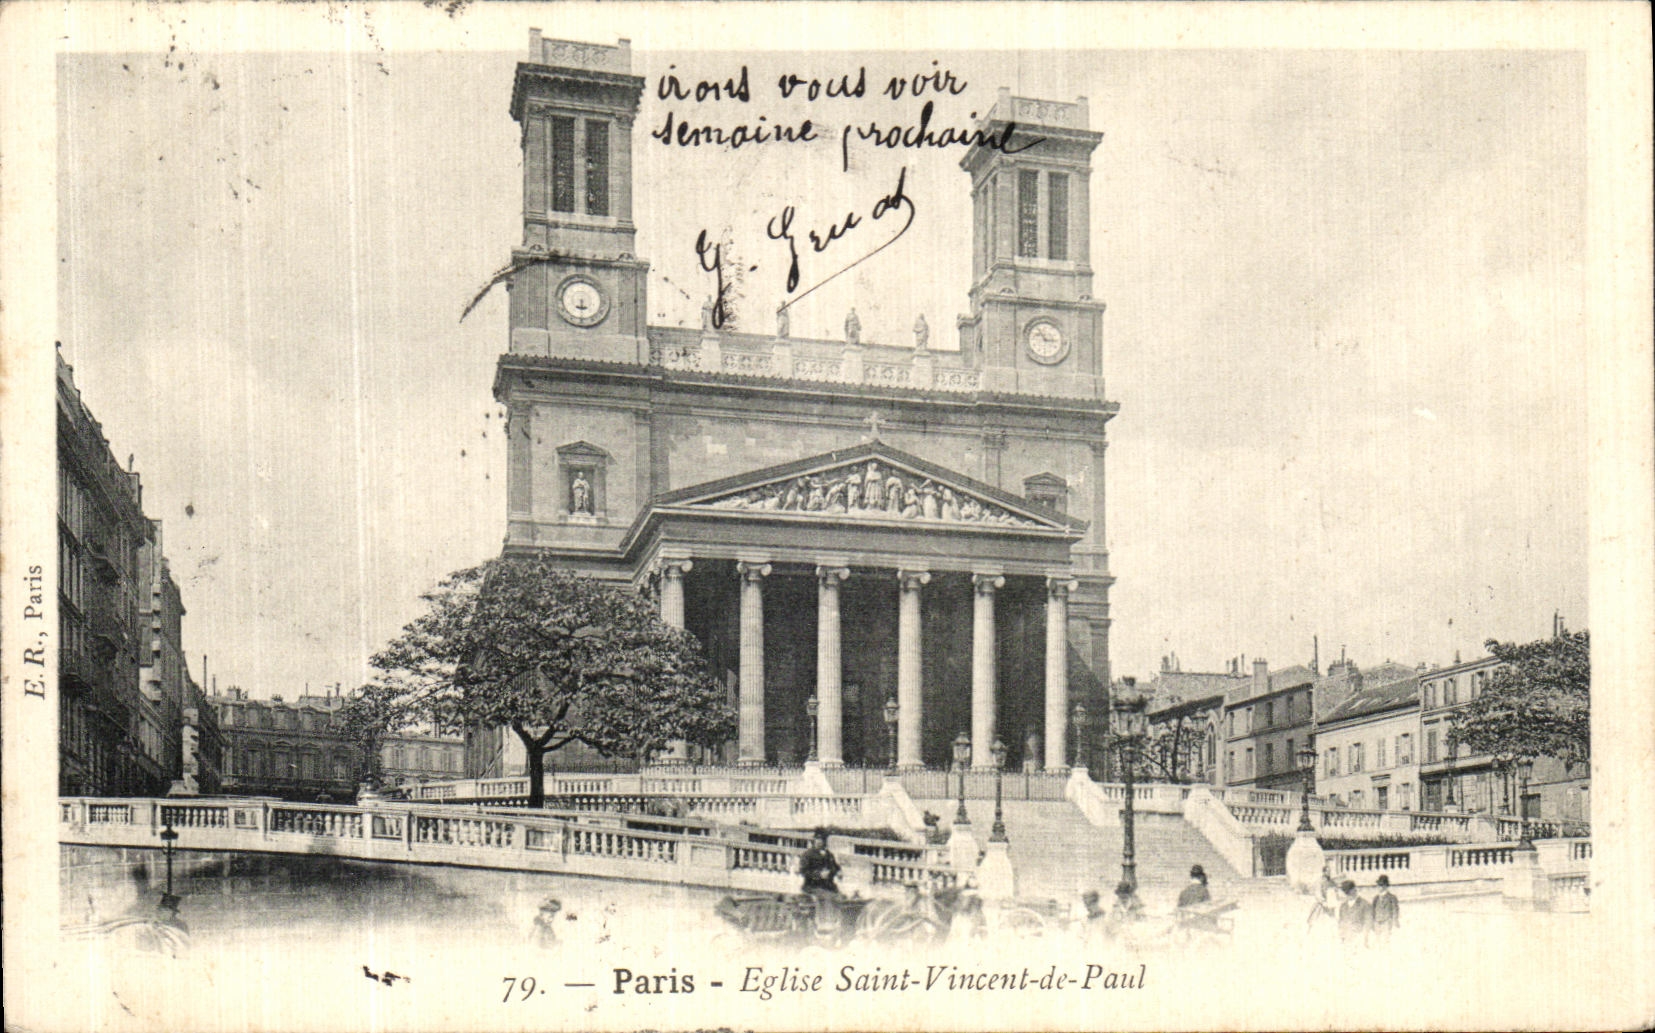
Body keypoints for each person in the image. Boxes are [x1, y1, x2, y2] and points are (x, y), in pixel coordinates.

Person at [799, 828, 841, 896]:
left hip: (828, 886)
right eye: (817, 839)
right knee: (828, 897)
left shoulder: (829, 855)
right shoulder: (808, 854)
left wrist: (838, 872)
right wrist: (819, 875)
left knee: (841, 898)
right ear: (814, 840)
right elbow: (803, 871)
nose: (820, 841)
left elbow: (835, 867)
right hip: (812, 887)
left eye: (822, 839)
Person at [1336, 879, 1372, 944]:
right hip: (1346, 940)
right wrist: (1341, 938)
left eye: (1349, 892)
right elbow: (1341, 923)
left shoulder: (1365, 904)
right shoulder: (1343, 906)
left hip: (1359, 939)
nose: (1347, 895)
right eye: (1346, 893)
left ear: (1355, 890)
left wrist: (1364, 939)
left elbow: (1368, 924)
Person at [1370, 874, 1400, 942]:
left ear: (1386, 886)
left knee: (1386, 941)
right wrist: (1372, 922)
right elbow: (1372, 911)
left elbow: (1395, 910)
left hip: (1387, 922)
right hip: (1377, 922)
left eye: (1381, 885)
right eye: (1378, 885)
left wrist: (1395, 921)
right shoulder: (1376, 898)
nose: (1379, 887)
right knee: (1377, 941)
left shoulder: (1392, 897)